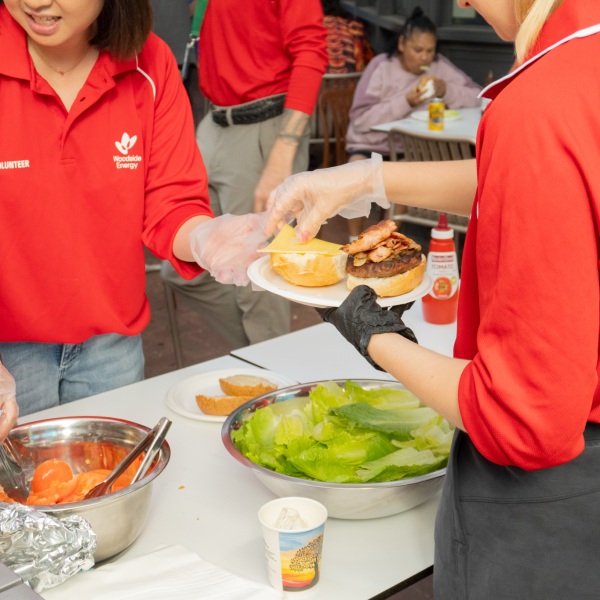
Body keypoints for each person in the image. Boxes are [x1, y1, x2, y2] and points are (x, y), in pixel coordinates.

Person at [264, 0, 600, 596]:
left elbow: (523, 420)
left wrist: (372, 332)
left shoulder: (543, 100)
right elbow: (525, 170)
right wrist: (366, 177)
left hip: (558, 504)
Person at [0, 0, 245, 419]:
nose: (35, 2)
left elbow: (172, 202)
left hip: (111, 345)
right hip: (9, 350)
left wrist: (207, 237)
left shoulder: (149, 63)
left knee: (114, 479)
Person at [160, 0, 328, 350]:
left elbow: (311, 51)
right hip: (214, 121)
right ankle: (258, 355)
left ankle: (272, 373)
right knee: (182, 265)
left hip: (266, 127)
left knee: (259, 279)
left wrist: (282, 152)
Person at [345, 7, 482, 240]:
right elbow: (360, 120)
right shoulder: (382, 66)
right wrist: (405, 101)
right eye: (418, 50)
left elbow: (478, 96)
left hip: (408, 150)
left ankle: (383, 242)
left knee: (409, 181)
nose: (425, 57)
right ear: (402, 44)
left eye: (430, 51)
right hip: (371, 145)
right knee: (356, 175)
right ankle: (352, 239)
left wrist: (447, 90)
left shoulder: (438, 66)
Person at [321, 0, 373, 74]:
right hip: (351, 83)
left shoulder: (306, 31)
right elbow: (371, 63)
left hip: (316, 83)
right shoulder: (354, 27)